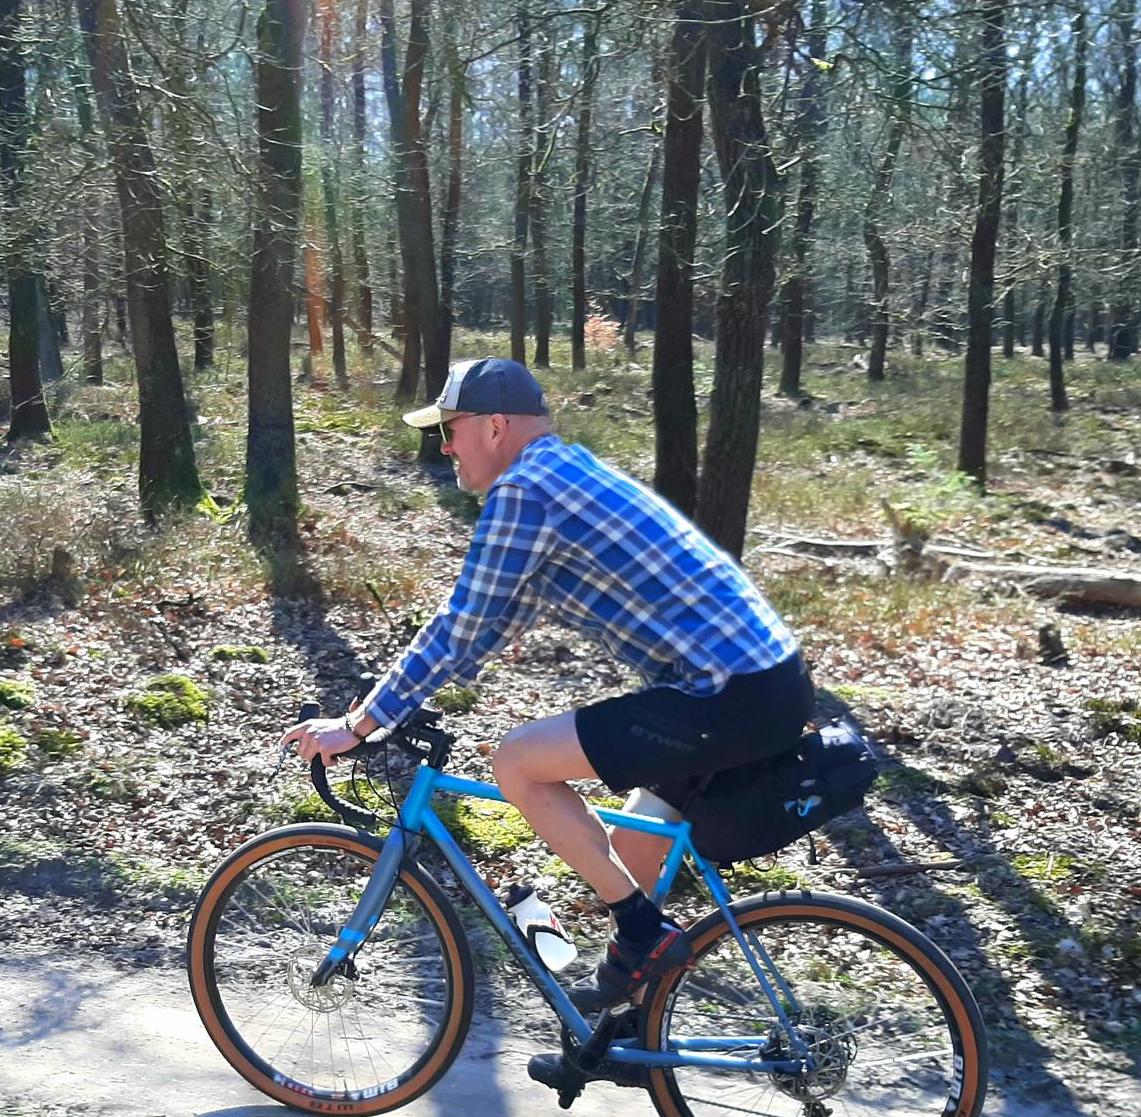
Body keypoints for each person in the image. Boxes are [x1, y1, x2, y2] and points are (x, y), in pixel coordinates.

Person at [282, 358, 812, 1014]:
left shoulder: (525, 491)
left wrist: (360, 724)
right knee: (628, 858)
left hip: (726, 694)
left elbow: (458, 628)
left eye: (449, 430)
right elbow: (492, 625)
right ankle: (621, 1032)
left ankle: (643, 938)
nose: (443, 447)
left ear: (494, 426)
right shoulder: (563, 473)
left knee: (517, 762)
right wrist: (404, 700)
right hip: (764, 683)